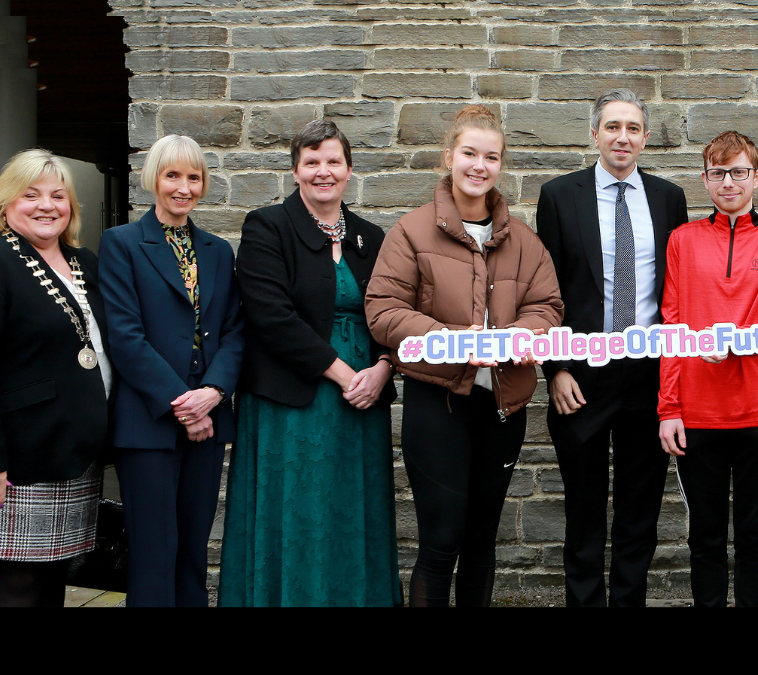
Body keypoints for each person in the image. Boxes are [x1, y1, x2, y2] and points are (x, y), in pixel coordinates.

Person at [366, 104, 562, 607]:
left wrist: (517, 334)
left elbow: (548, 306)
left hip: (502, 408)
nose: (479, 165)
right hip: (439, 405)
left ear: (501, 165)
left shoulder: (524, 241)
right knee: (440, 540)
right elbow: (384, 312)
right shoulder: (410, 232)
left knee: (481, 541)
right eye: (469, 153)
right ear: (449, 157)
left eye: (491, 157)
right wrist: (456, 339)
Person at [219, 120, 400, 607]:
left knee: (352, 508)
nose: (324, 171)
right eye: (312, 162)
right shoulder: (267, 226)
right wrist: (344, 375)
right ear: (296, 171)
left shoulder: (371, 236)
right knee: (299, 512)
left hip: (364, 399)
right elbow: (270, 316)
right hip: (293, 399)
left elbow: (393, 312)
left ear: (349, 170)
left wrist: (383, 369)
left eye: (333, 161)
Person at [536, 88, 688, 607]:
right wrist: (554, 368)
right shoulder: (559, 195)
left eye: (633, 128)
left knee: (638, 511)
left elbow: (675, 288)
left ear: (645, 138)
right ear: (595, 133)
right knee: (582, 511)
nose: (623, 136)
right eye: (613, 126)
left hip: (647, 373)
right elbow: (547, 289)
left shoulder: (669, 198)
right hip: (581, 376)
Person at [657, 131, 758, 607]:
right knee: (704, 539)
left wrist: (736, 341)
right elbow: (672, 326)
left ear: (757, 178)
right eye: (718, 173)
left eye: (739, 172)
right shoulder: (683, 240)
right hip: (698, 414)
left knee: (754, 539)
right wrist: (668, 408)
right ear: (705, 180)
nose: (729, 182)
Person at [98, 135, 245, 607]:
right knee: (154, 553)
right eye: (172, 175)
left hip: (209, 420)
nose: (184, 187)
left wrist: (214, 392)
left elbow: (234, 331)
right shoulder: (121, 243)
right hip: (149, 422)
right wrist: (183, 403)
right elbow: (125, 336)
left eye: (194, 177)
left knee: (192, 551)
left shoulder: (219, 250)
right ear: (153, 179)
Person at [0, 149, 112, 607]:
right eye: (31, 195)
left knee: (53, 579)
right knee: (20, 585)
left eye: (58, 195)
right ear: (7, 201)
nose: (46, 205)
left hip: (73, 450)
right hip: (19, 458)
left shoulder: (84, 261)